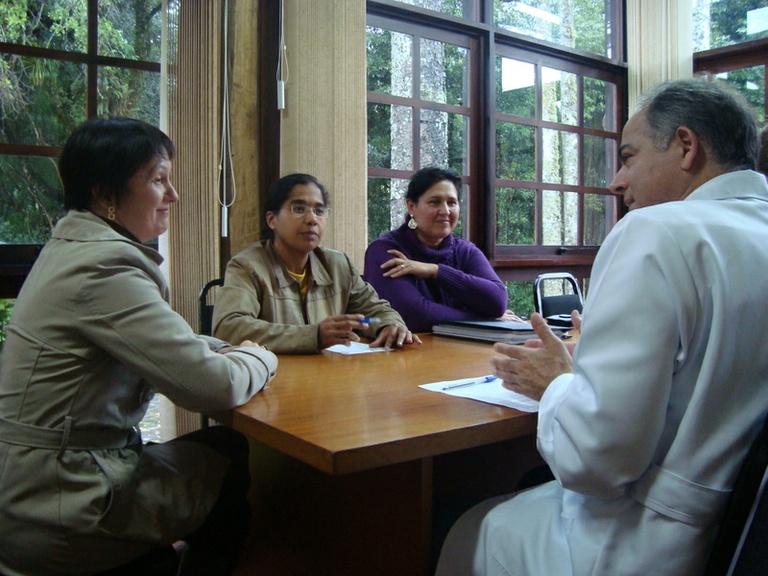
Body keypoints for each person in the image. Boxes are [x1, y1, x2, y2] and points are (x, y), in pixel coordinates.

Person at [435, 77, 768, 576]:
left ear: (685, 147)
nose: (615, 180)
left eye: (629, 157)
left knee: (473, 528)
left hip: (652, 542)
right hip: (744, 536)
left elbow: (598, 460)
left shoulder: (658, 231)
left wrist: (557, 382)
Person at [0, 117, 278, 576]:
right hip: (59, 500)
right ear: (106, 195)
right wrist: (261, 355)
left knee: (223, 449)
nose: (172, 195)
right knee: (229, 464)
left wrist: (221, 348)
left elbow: (164, 340)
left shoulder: (74, 244)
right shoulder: (104, 265)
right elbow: (212, 387)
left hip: (33, 478)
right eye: (158, 180)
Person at [212, 173, 420, 354]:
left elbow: (373, 314)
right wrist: (314, 335)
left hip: (327, 377)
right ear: (271, 220)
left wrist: (388, 325)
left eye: (319, 211)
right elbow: (229, 327)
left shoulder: (338, 264)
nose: (312, 219)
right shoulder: (247, 266)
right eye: (299, 208)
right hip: (272, 378)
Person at [363, 166, 519, 333]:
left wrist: (436, 271)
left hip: (463, 352)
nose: (445, 211)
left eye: (452, 203)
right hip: (408, 353)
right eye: (434, 202)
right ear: (411, 206)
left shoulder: (465, 251)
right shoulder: (385, 250)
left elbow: (497, 301)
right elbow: (414, 316)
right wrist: (485, 319)